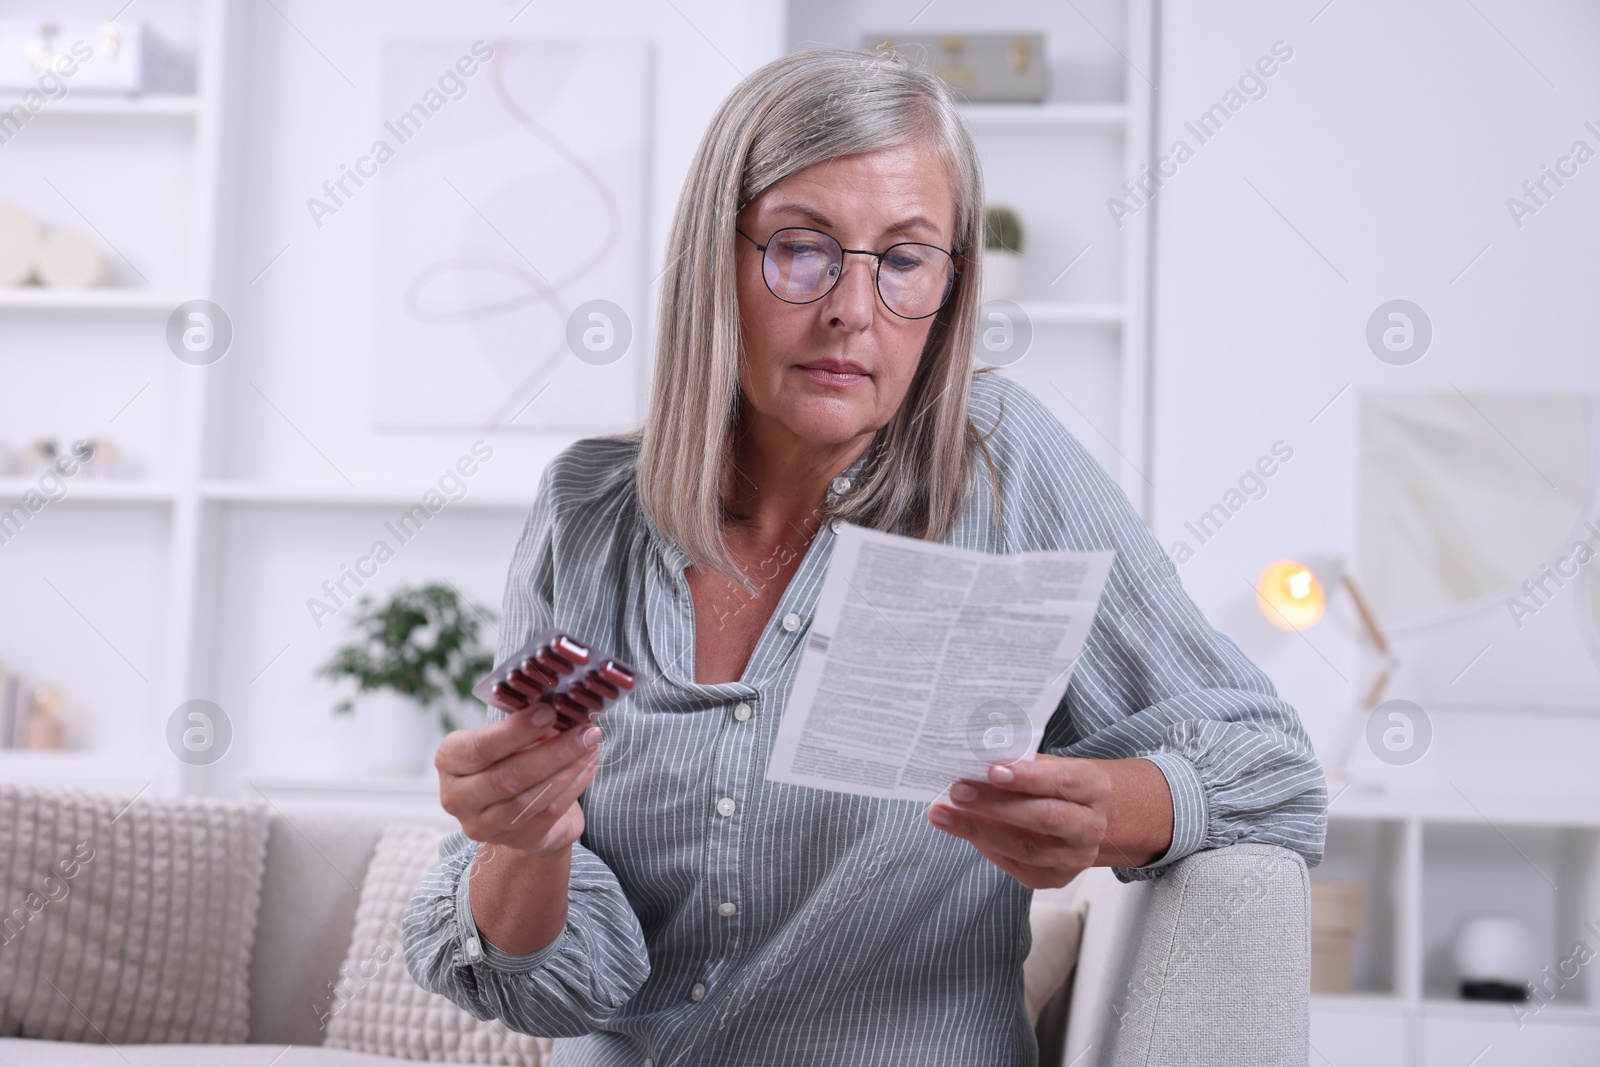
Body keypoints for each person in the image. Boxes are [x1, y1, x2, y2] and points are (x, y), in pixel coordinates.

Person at [403, 47, 1325, 1066]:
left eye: (902, 259)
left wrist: (1112, 812)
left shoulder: (1002, 468)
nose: (850, 307)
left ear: (951, 283)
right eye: (801, 249)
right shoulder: (591, 513)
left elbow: (1269, 765)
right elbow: (560, 987)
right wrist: (524, 839)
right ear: (717, 257)